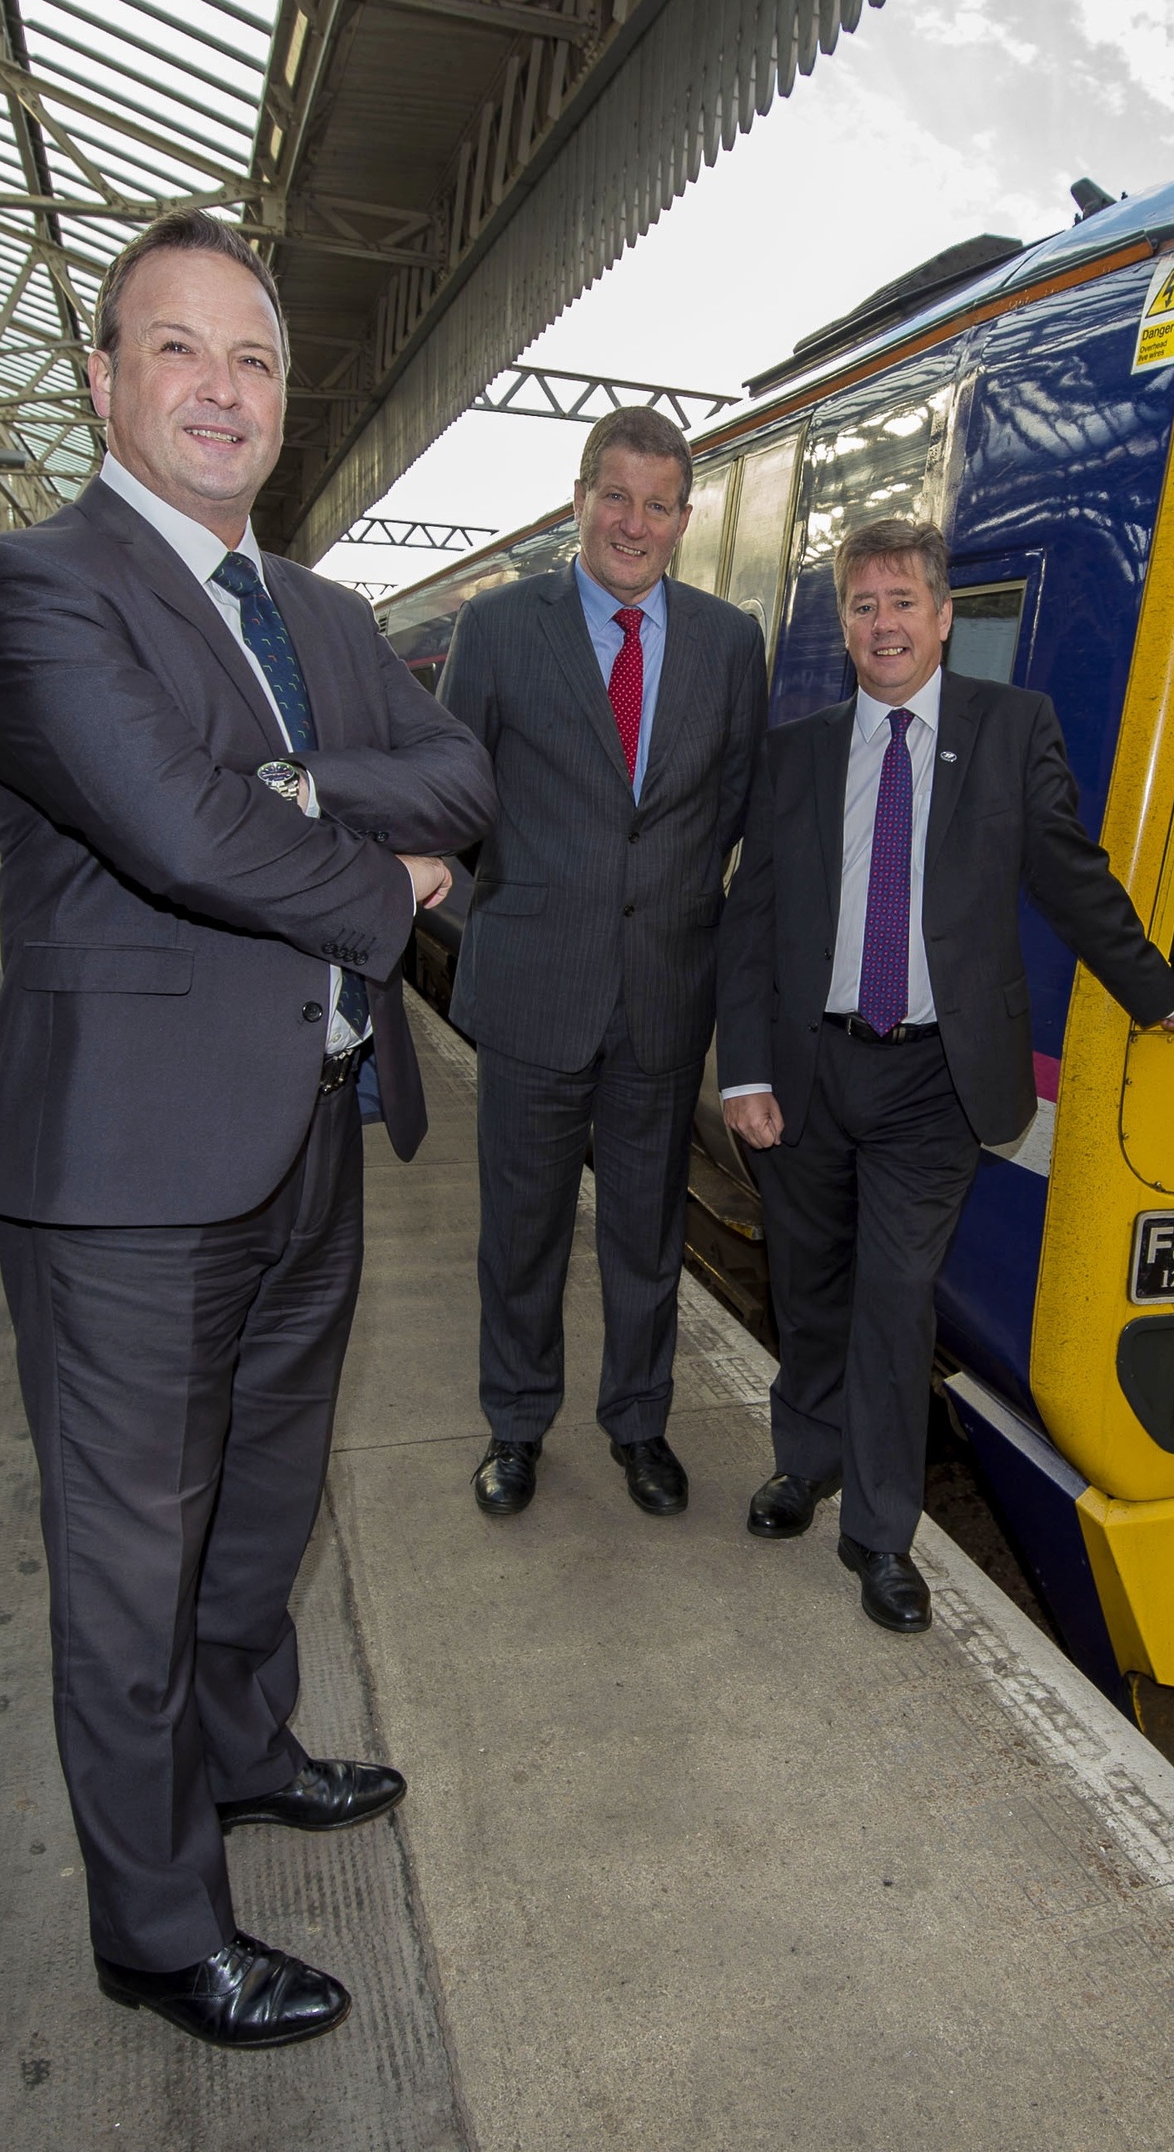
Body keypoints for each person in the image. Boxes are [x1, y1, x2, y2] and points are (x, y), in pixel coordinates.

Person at [0, 209, 494, 2049]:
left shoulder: (323, 616)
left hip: (315, 1124)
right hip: (124, 1173)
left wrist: (289, 776)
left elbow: (462, 777)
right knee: (127, 1563)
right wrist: (377, 876)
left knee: (259, 1509)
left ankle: (248, 1750)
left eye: (252, 359)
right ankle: (157, 1925)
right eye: (177, 349)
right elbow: (168, 830)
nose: (220, 387)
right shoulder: (31, 585)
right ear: (106, 382)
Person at [717, 518, 1174, 1633]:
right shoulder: (796, 752)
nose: (883, 624)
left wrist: (1159, 991)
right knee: (807, 1286)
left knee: (897, 1304)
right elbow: (749, 921)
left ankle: (881, 1534)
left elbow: (1069, 873)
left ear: (946, 619)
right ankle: (805, 1460)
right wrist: (743, 1068)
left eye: (904, 603)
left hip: (934, 1081)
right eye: (863, 605)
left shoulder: (1009, 729)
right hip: (805, 1070)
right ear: (842, 626)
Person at [439, 408, 768, 1521]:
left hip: (662, 992)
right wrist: (539, 895)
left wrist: (658, 905)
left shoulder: (730, 645)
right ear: (581, 497)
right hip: (535, 984)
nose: (635, 522)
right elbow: (456, 793)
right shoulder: (497, 629)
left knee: (646, 1232)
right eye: (615, 496)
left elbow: (727, 811)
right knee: (520, 1230)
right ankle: (515, 1425)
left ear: (685, 518)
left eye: (658, 504)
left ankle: (638, 1423)